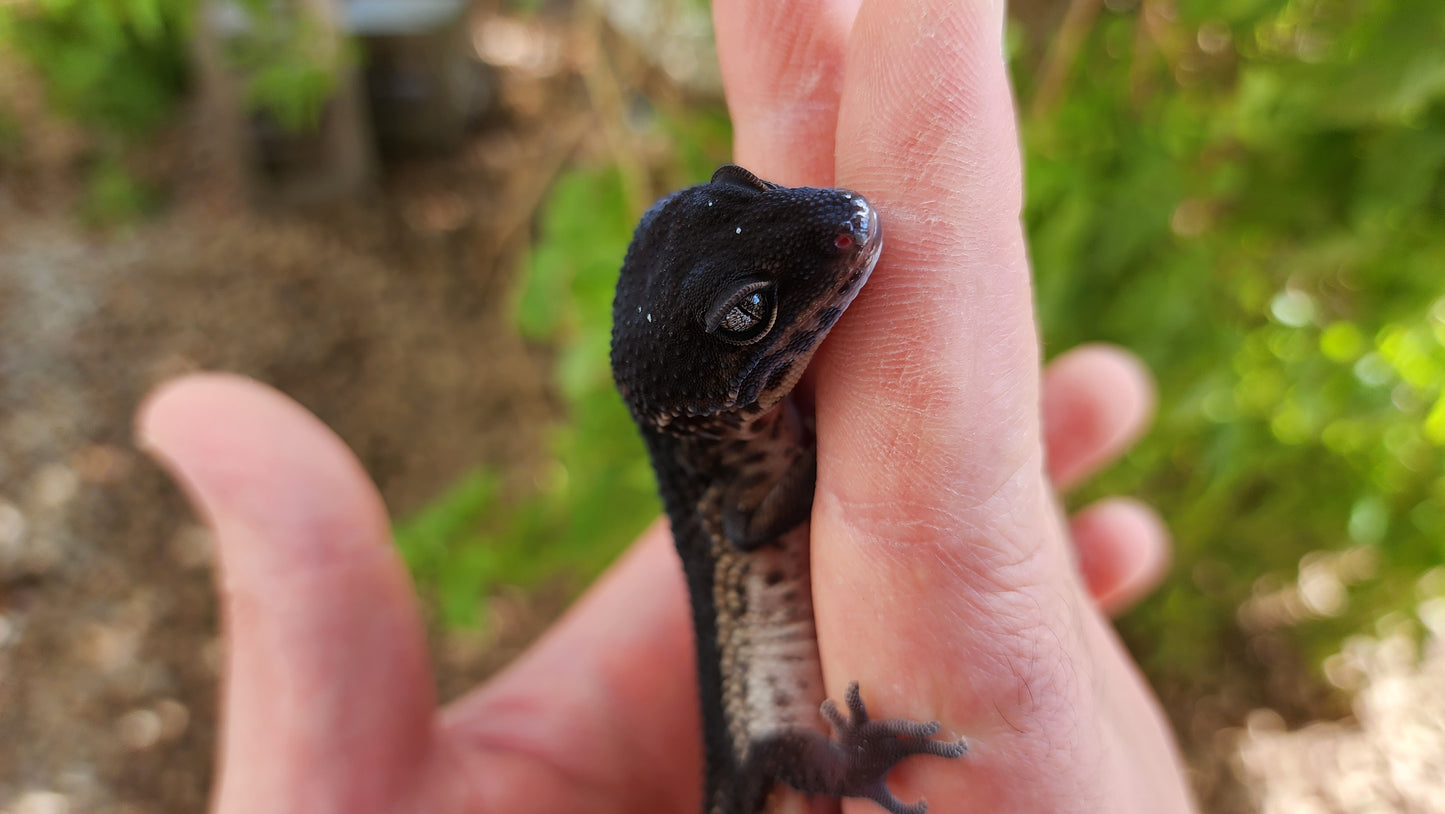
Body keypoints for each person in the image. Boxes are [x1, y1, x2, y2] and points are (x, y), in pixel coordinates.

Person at [137, 0, 1198, 811]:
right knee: (781, 747)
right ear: (709, 410)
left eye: (743, 191)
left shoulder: (741, 455)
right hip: (762, 763)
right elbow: (751, 524)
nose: (834, 225)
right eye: (750, 312)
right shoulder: (739, 491)